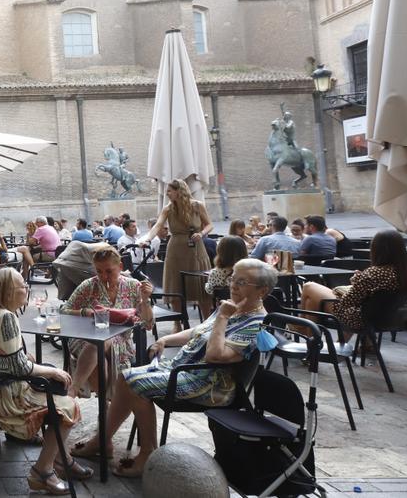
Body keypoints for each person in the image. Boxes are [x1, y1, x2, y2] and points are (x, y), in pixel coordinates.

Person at [73, 258, 274, 476]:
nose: (233, 285)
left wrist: (223, 316)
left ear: (262, 291)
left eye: (242, 282)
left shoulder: (256, 323)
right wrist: (166, 340)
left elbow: (215, 355)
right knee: (126, 376)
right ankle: (102, 441)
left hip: (210, 384)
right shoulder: (233, 307)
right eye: (233, 278)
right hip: (184, 370)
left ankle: (147, 453)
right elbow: (200, 331)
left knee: (135, 384)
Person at [0, 268, 86, 493]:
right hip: (6, 398)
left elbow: (6, 357)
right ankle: (43, 471)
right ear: (8, 291)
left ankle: (62, 459)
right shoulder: (6, 317)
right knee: (69, 405)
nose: (26, 288)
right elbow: (19, 368)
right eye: (22, 285)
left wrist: (22, 357)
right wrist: (51, 372)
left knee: (55, 391)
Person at [61, 245, 154, 397]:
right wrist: (85, 312)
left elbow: (148, 324)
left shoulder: (133, 286)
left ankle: (76, 392)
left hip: (120, 341)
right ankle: (104, 410)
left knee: (101, 352)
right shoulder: (89, 286)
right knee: (98, 343)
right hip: (85, 337)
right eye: (99, 271)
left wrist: (145, 300)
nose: (103, 276)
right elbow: (63, 311)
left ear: (120, 266)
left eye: (109, 271)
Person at [298, 230, 407, 341]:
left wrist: (357, 281)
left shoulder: (374, 273)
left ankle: (303, 330)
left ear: (376, 249)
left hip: (360, 318)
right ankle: (332, 345)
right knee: (311, 301)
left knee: (309, 286)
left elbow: (347, 302)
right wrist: (362, 279)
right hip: (391, 317)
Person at [140, 179, 213, 319]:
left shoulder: (198, 206)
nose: (167, 194)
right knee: (175, 284)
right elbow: (158, 225)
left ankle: (207, 321)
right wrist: (147, 239)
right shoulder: (168, 208)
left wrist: (201, 233)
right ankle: (177, 322)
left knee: (201, 283)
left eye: (169, 191)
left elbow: (209, 225)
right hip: (175, 248)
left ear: (179, 191)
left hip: (196, 248)